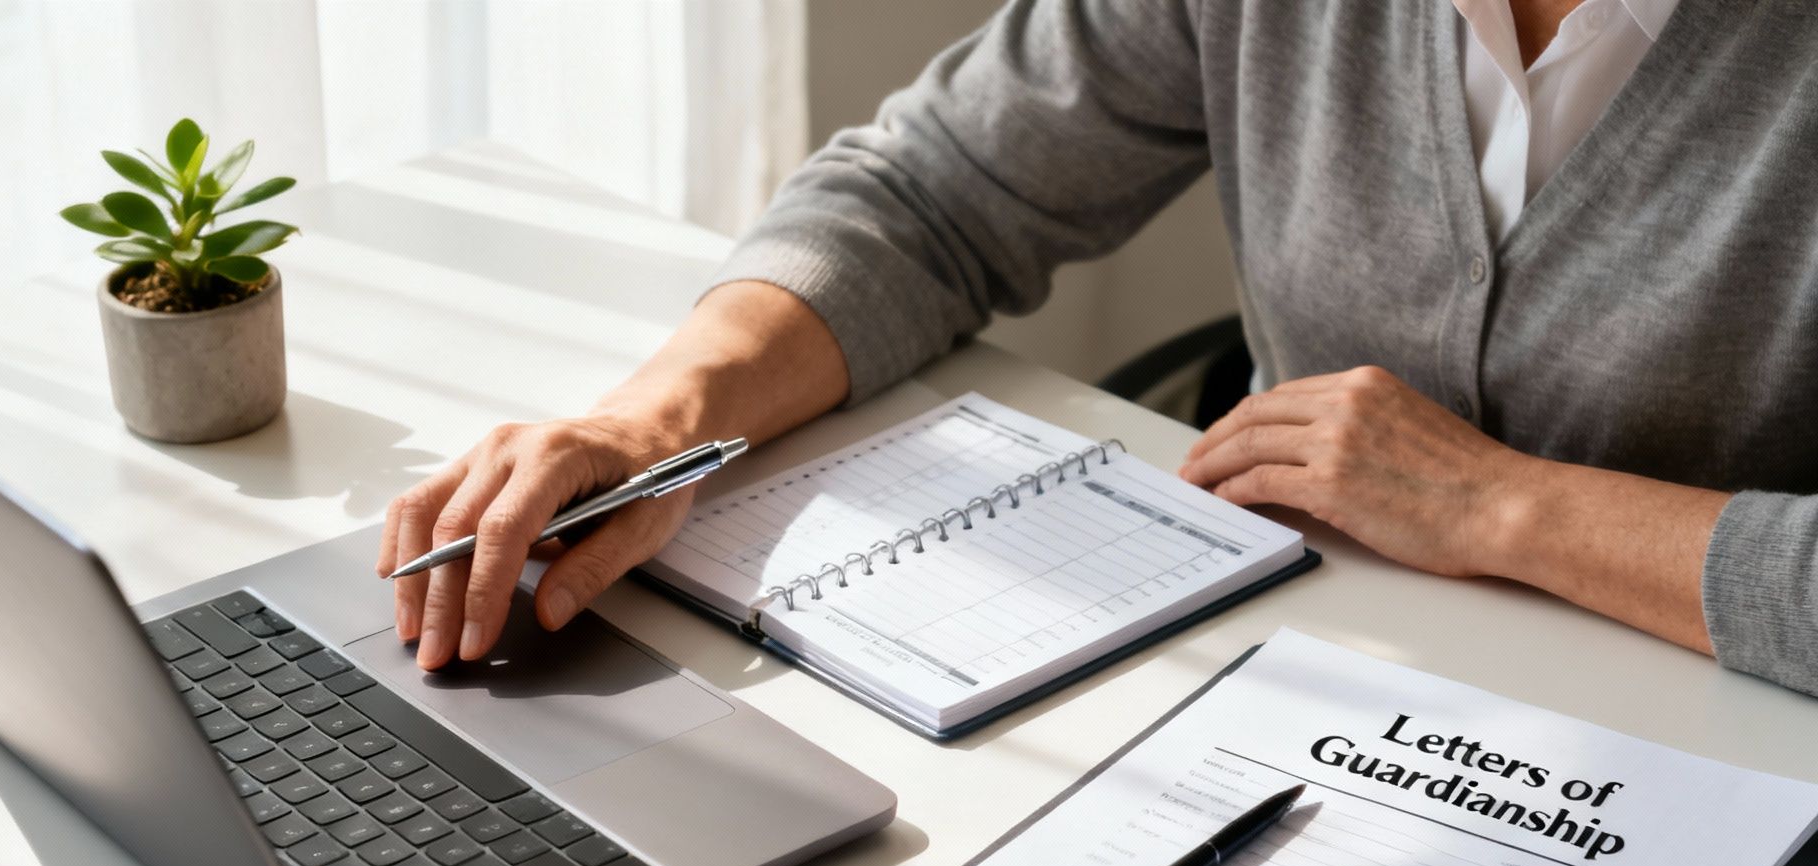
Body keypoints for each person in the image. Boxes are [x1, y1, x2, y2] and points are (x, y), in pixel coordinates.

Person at [380, 0, 1818, 697]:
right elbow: (931, 192)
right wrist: (658, 421)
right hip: (1289, 686)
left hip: (1726, 741)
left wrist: (1510, 506)